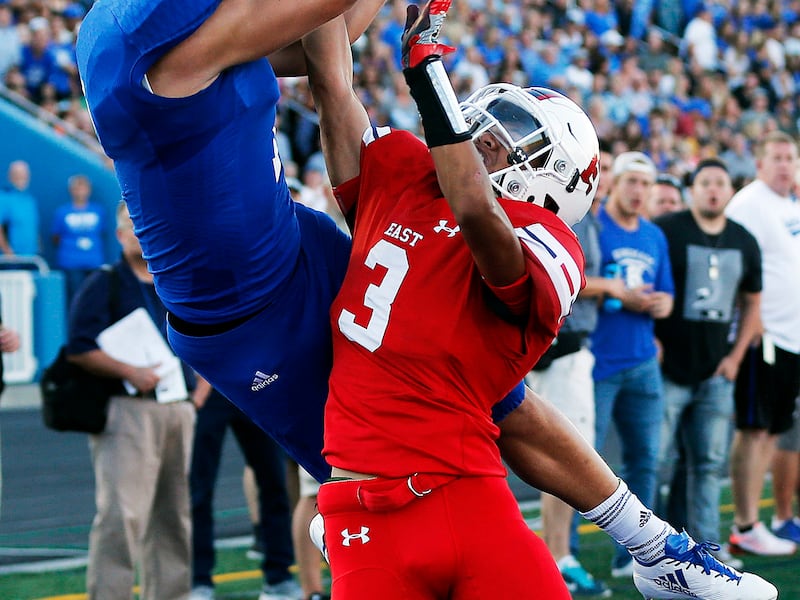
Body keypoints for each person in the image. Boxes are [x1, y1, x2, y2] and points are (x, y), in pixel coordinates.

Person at [300, 5, 775, 599]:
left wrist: (427, 71)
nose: (483, 140)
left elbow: (477, 211)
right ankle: (657, 549)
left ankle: (659, 549)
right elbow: (330, 82)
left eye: (504, 144)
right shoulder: (403, 176)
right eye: (487, 129)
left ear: (548, 178)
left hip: (464, 489)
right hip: (360, 504)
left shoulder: (547, 239)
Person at [76, 0, 389, 485]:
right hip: (244, 315)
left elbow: (331, 32)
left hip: (294, 241)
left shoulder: (201, 36)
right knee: (368, 474)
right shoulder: (162, 51)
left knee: (493, 402)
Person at [67, 202, 200, 600]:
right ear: (119, 234)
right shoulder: (105, 282)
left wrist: (200, 393)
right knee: (122, 515)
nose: (141, 235)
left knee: (174, 515)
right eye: (132, 227)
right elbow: (78, 346)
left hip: (178, 407)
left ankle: (170, 594)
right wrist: (129, 371)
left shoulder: (174, 281)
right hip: (130, 410)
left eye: (147, 226)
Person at [654, 158, 762, 565]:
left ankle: (706, 551)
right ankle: (644, 551)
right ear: (692, 190)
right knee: (656, 460)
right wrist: (651, 341)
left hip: (717, 371)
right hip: (667, 369)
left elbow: (753, 302)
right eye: (705, 183)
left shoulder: (744, 240)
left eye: (720, 183)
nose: (713, 190)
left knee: (708, 463)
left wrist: (735, 357)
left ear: (729, 191)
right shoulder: (668, 230)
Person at [525, 186, 618, 596]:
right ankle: (558, 558)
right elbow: (566, 276)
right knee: (565, 457)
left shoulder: (585, 215)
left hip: (565, 347)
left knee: (565, 455)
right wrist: (613, 289)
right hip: (559, 349)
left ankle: (559, 555)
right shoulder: (564, 212)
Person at [590, 150, 675, 577]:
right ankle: (566, 554)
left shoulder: (653, 236)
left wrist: (660, 304)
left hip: (643, 359)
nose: (639, 192)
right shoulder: (594, 225)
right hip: (598, 358)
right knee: (584, 461)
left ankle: (636, 558)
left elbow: (667, 296)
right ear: (615, 183)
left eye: (646, 184)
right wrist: (616, 292)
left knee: (645, 458)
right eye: (632, 182)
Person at [725, 130, 800, 554]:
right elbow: (734, 263)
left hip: (791, 338)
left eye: (791, 157)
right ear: (759, 164)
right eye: (777, 157)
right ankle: (745, 523)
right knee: (754, 429)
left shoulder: (787, 204)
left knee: (771, 430)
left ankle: (752, 523)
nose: (786, 165)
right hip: (764, 336)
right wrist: (752, 325)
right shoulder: (750, 204)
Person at [188, 387, 299, 600]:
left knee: (274, 481)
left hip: (249, 387)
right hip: (209, 387)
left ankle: (280, 576)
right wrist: (200, 383)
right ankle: (198, 580)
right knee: (199, 490)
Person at [51, 174, 107, 304]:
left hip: (93, 262)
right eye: (77, 188)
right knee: (75, 298)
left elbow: (102, 232)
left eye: (83, 188)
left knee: (95, 297)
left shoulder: (98, 210)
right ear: (71, 190)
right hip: (70, 263)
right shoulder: (62, 212)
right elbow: (55, 236)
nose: (80, 191)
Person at [0, 160, 40, 257]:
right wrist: (8, 252)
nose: (21, 177)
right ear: (10, 176)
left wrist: (38, 248)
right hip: (12, 258)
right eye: (17, 174)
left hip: (32, 257)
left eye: (24, 174)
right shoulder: (4, 198)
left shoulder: (30, 199)